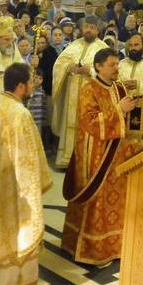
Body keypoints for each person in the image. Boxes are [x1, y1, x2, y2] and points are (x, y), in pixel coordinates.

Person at [0, 63, 52, 285]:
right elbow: (29, 155)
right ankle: (9, 282)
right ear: (21, 86)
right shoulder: (20, 113)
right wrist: (33, 186)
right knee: (15, 226)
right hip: (13, 181)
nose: (34, 85)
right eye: (31, 81)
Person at [61, 48, 140, 266]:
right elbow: (89, 122)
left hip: (119, 155)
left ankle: (114, 246)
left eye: (117, 64)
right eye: (112, 65)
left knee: (115, 201)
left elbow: (128, 119)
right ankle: (92, 249)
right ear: (98, 66)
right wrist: (119, 110)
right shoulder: (89, 90)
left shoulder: (119, 87)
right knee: (97, 199)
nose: (117, 68)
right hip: (96, 155)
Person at [50, 16, 106, 170]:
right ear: (82, 29)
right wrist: (68, 68)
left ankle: (86, 161)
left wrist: (91, 70)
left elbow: (109, 72)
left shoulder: (103, 49)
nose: (88, 30)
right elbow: (59, 65)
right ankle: (66, 159)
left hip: (91, 97)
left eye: (92, 27)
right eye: (86, 27)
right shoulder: (73, 46)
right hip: (72, 95)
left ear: (98, 30)